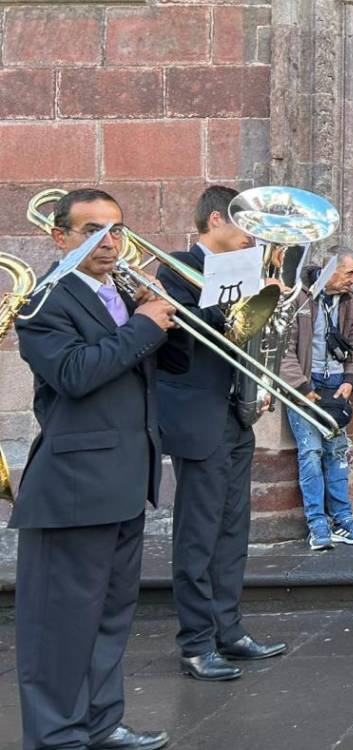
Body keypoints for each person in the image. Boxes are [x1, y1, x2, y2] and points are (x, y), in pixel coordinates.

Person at [13, 189, 176, 750]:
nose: (109, 241)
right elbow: (76, 374)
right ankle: (57, 736)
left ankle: (101, 723)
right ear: (60, 237)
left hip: (126, 480)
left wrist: (178, 321)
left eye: (115, 229)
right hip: (75, 487)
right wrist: (144, 327)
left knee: (109, 617)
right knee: (60, 625)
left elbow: (151, 366)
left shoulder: (123, 295)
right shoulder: (46, 303)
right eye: (92, 230)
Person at [158, 185, 287, 682]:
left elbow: (254, 341)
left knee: (233, 532)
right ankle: (195, 642)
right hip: (199, 417)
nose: (251, 237)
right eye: (244, 226)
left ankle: (229, 631)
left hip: (237, 414)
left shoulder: (248, 270)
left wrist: (263, 379)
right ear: (216, 220)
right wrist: (244, 307)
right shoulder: (174, 268)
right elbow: (195, 334)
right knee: (198, 534)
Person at [278, 247, 353, 551]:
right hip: (306, 384)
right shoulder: (298, 296)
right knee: (311, 452)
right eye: (350, 273)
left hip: (336, 384)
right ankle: (317, 524)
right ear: (330, 269)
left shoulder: (349, 301)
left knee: (336, 452)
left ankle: (344, 519)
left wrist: (351, 379)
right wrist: (301, 387)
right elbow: (283, 349)